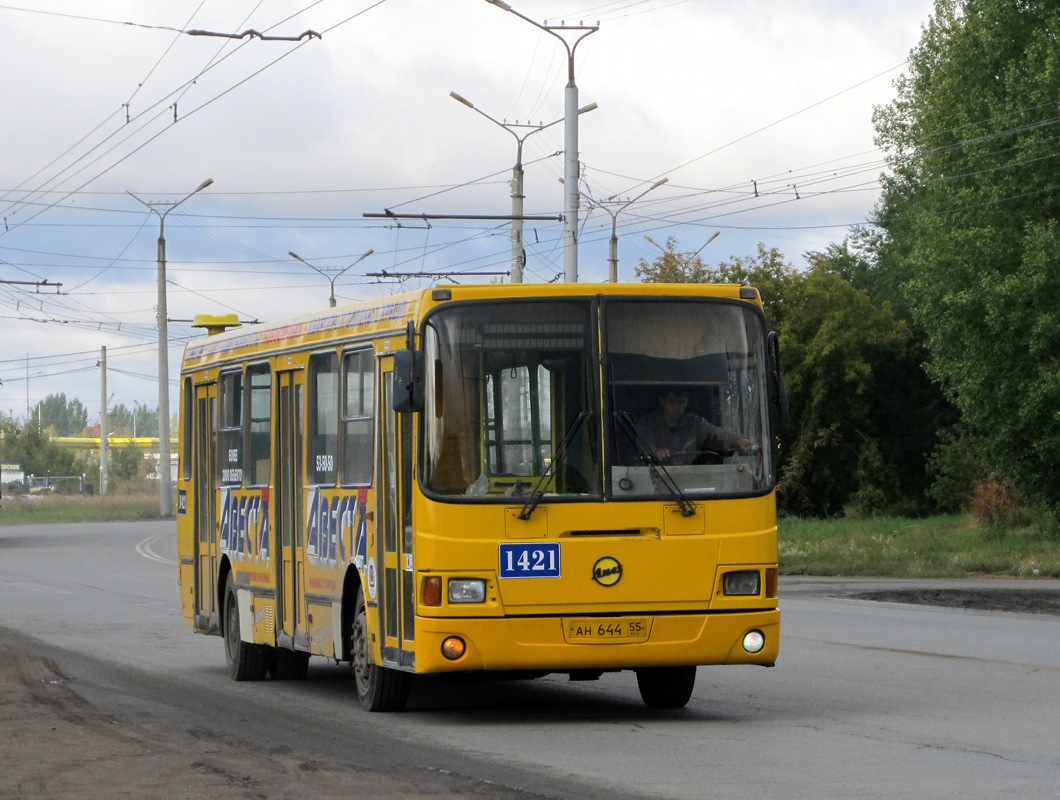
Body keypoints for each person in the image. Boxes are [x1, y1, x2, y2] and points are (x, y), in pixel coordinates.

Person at [635, 387, 749, 465]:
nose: (677, 407)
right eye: (672, 401)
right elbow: (645, 444)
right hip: (656, 479)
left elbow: (716, 434)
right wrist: (656, 453)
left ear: (687, 402)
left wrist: (738, 440)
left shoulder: (695, 423)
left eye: (681, 402)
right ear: (662, 401)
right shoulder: (648, 422)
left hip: (690, 477)